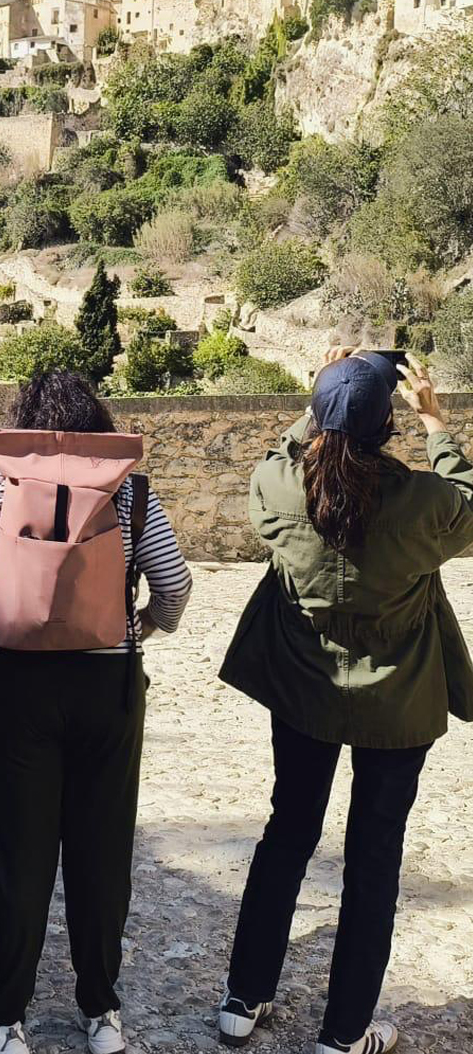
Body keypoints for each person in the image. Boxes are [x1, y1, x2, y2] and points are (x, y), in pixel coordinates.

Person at [0, 367, 192, 1054]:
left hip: (16, 688)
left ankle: (5, 1019)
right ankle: (100, 1015)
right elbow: (175, 582)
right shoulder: (128, 493)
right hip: (107, 689)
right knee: (100, 856)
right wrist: (141, 628)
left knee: (20, 856)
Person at [214, 350, 473, 1054]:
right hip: (397, 704)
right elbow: (468, 502)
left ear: (320, 422)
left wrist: (320, 400)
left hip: (302, 692)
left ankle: (242, 1000)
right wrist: (437, 424)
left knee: (286, 834)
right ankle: (343, 1032)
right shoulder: (424, 504)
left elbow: (278, 453)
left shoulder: (277, 487)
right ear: (387, 427)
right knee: (374, 859)